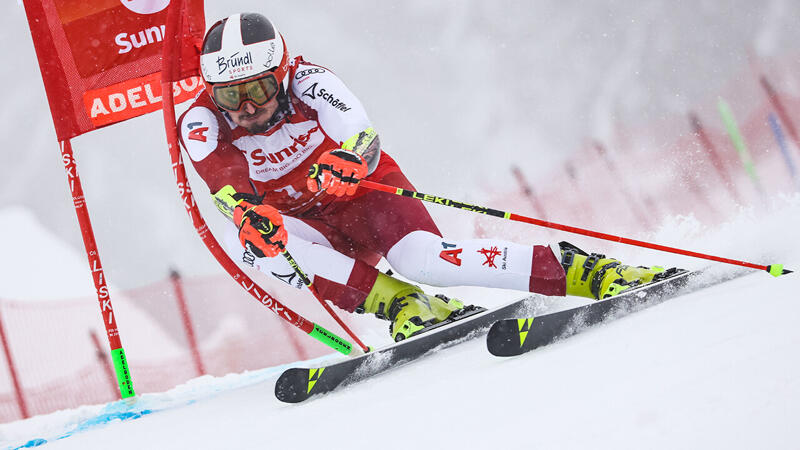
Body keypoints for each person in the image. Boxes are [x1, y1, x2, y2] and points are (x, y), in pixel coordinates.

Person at [178, 13, 670, 342]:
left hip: (360, 197)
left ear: (281, 73)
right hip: (301, 225)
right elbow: (223, 183)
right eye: (229, 97)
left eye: (260, 89)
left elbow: (361, 135)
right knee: (244, 240)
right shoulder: (200, 124)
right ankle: (402, 304)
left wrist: (348, 160)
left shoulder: (311, 82)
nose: (247, 108)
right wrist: (247, 213)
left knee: (427, 261)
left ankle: (581, 271)